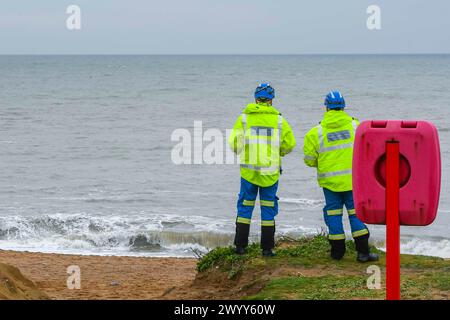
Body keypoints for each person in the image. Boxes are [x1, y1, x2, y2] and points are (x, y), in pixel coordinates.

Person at [303, 91, 379, 262]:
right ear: (343, 106)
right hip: (353, 181)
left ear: (326, 107)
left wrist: (322, 164)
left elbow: (309, 159)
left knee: (333, 214)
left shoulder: (316, 132)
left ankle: (337, 253)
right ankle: (363, 253)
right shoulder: (356, 126)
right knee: (356, 214)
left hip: (330, 183)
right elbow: (368, 149)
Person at [229, 83, 296, 257]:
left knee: (245, 208)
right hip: (270, 172)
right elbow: (290, 144)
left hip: (249, 172)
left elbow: (234, 143)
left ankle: (240, 247)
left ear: (255, 98)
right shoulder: (279, 120)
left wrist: (244, 152)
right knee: (268, 209)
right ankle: (267, 249)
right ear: (271, 100)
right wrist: (277, 152)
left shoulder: (244, 118)